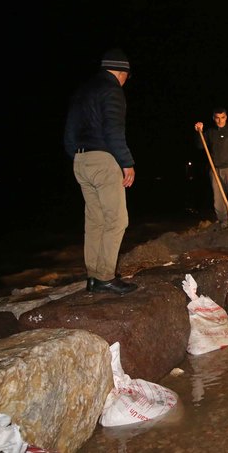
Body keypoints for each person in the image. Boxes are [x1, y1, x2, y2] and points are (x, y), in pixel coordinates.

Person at [64, 48, 138, 295]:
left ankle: (93, 277)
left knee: (95, 220)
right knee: (117, 220)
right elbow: (113, 130)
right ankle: (106, 276)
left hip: (81, 160)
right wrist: (126, 162)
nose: (127, 80)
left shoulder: (83, 90)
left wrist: (78, 155)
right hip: (104, 160)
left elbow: (69, 132)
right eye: (127, 75)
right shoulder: (112, 91)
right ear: (121, 72)